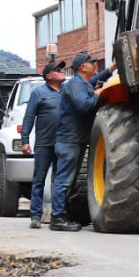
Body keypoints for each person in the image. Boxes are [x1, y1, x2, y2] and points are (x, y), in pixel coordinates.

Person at [50, 51, 114, 232]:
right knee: (64, 180)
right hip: (69, 140)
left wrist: (113, 68)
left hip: (75, 140)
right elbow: (84, 105)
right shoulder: (74, 85)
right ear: (82, 67)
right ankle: (57, 218)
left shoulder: (82, 83)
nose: (94, 65)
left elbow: (97, 80)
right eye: (92, 63)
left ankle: (63, 215)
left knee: (69, 180)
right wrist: (99, 93)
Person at [20, 59, 65, 229]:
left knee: (59, 181)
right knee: (39, 179)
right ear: (48, 75)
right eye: (57, 69)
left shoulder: (67, 91)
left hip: (63, 143)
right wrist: (25, 140)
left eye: (62, 68)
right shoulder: (39, 93)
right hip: (44, 144)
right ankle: (35, 216)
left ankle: (57, 215)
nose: (62, 70)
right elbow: (29, 118)